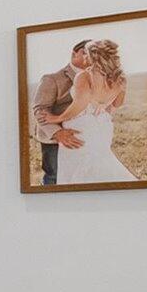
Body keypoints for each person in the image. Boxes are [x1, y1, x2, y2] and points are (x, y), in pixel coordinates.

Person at [38, 38, 132, 185]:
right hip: (102, 127)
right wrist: (101, 107)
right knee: (100, 165)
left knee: (79, 171)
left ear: (91, 56)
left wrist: (57, 118)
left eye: (86, 53)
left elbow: (80, 104)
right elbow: (117, 103)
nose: (84, 57)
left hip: (82, 128)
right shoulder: (120, 78)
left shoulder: (84, 76)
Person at [29, 41, 90, 185]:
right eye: (85, 52)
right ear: (74, 54)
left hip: (85, 137)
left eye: (94, 53)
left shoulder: (96, 77)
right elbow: (40, 109)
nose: (89, 56)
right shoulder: (52, 79)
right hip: (56, 141)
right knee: (55, 178)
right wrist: (57, 133)